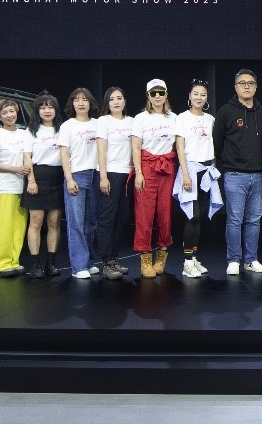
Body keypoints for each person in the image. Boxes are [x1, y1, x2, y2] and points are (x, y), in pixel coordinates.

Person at [214, 69, 262, 275]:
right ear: (235, 87)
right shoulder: (226, 112)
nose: (247, 86)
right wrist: (229, 164)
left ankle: (251, 260)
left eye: (250, 83)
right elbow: (217, 143)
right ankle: (234, 260)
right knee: (235, 220)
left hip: (259, 175)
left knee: (254, 220)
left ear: (256, 87)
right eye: (242, 83)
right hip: (234, 176)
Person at [174, 79, 223, 279]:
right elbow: (179, 147)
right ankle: (187, 263)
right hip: (190, 170)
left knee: (200, 216)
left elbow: (213, 145)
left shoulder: (210, 119)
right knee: (191, 216)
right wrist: (185, 174)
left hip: (207, 171)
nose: (199, 97)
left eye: (202, 94)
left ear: (207, 97)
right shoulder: (182, 118)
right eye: (195, 94)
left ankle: (194, 258)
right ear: (189, 95)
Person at [131, 79, 178, 279]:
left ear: (166, 94)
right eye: (153, 93)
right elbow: (135, 147)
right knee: (145, 213)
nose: (157, 96)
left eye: (161, 92)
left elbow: (180, 144)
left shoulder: (174, 118)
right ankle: (145, 257)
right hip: (147, 168)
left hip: (167, 168)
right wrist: (138, 172)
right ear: (148, 96)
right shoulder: (140, 118)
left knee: (165, 213)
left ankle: (162, 254)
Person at [0, 97, 32, 277]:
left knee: (19, 227)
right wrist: (16, 169)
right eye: (4, 113)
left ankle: (14, 261)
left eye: (11, 111)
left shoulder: (24, 134)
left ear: (16, 112)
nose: (9, 115)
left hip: (22, 187)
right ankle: (2, 264)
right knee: (4, 227)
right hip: (5, 188)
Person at [58, 87, 101, 279]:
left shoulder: (98, 124)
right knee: (76, 223)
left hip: (96, 175)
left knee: (91, 223)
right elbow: (64, 154)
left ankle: (89, 261)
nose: (81, 103)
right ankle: (78, 267)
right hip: (76, 175)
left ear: (90, 103)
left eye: (84, 99)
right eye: (77, 100)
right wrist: (69, 178)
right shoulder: (67, 126)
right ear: (72, 104)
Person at [22, 92, 63, 278]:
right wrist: (31, 180)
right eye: (43, 107)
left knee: (54, 222)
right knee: (36, 222)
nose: (47, 111)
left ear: (56, 110)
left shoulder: (62, 130)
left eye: (50, 107)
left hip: (57, 177)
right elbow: (27, 157)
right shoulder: (31, 131)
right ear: (37, 111)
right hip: (37, 177)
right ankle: (35, 265)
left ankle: (51, 264)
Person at [94, 87, 134, 279]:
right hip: (109, 173)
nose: (116, 102)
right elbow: (101, 150)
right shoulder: (103, 121)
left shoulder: (132, 122)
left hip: (128, 175)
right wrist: (103, 176)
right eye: (111, 99)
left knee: (123, 218)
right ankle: (106, 262)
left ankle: (114, 257)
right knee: (107, 219)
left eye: (119, 98)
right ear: (107, 103)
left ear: (125, 101)